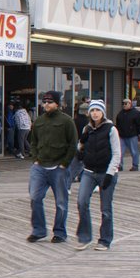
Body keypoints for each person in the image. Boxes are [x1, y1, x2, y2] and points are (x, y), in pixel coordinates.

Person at [27, 90, 78, 243]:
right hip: (40, 166)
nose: (46, 104)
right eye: (44, 102)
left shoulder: (67, 121)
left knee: (61, 202)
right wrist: (35, 158)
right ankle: (39, 230)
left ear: (57, 103)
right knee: (35, 198)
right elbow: (33, 142)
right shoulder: (39, 121)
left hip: (59, 168)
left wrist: (65, 163)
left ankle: (60, 232)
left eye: (49, 102)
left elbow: (73, 144)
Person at [74, 100, 120, 251]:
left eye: (97, 110)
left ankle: (105, 240)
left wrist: (110, 173)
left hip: (106, 172)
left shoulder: (111, 129)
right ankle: (85, 237)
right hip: (88, 171)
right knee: (82, 202)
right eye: (92, 110)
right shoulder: (87, 128)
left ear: (103, 112)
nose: (95, 113)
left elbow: (116, 153)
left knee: (105, 208)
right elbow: (80, 146)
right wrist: (80, 150)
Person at [114, 98, 140, 171]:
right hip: (122, 135)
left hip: (132, 135)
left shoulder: (136, 113)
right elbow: (117, 124)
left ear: (130, 104)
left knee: (134, 151)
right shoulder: (120, 113)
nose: (124, 105)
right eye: (123, 103)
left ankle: (135, 165)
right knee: (120, 152)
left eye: (126, 103)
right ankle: (120, 165)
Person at [69, 103, 90, 184]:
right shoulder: (87, 122)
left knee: (76, 162)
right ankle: (73, 178)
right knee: (80, 162)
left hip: (74, 141)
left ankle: (79, 176)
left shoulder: (74, 120)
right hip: (82, 142)